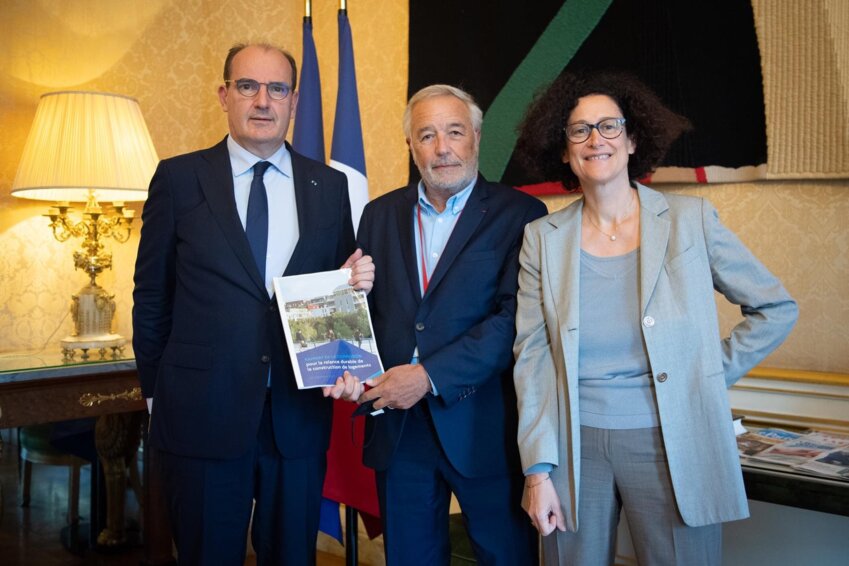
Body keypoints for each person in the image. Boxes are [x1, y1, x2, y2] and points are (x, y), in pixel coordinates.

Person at [511, 71, 798, 565]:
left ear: (633, 139)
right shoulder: (541, 238)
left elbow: (775, 308)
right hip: (573, 448)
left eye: (609, 126)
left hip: (672, 441)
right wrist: (537, 472)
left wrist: (704, 373)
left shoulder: (691, 220)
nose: (596, 139)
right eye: (579, 130)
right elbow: (532, 357)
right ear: (564, 151)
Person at [132, 43, 374, 565]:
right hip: (201, 414)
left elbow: (339, 291)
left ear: (294, 101)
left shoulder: (329, 185)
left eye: (277, 89)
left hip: (297, 416)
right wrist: (157, 396)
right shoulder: (178, 179)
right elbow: (151, 298)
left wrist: (360, 290)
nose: (263, 101)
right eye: (248, 86)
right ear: (225, 95)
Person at [327, 84, 547, 565]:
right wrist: (345, 357)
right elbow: (365, 313)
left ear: (476, 137)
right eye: (427, 135)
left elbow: (515, 320)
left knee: (506, 556)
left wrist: (428, 377)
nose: (442, 148)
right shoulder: (378, 214)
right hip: (398, 430)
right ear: (411, 146)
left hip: (483, 427)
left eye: (454, 132)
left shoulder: (521, 215)